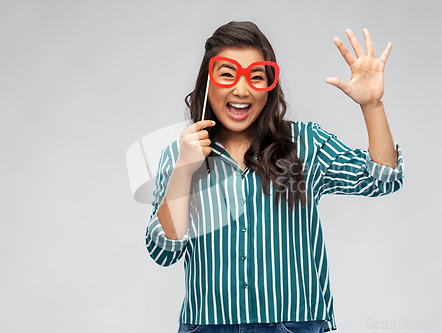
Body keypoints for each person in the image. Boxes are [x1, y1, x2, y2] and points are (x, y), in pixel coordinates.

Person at [145, 21, 404, 333]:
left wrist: (372, 105)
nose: (241, 90)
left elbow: (383, 178)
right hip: (207, 326)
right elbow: (163, 251)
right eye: (227, 74)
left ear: (269, 88)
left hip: (294, 324)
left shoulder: (306, 144)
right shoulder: (180, 156)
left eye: (256, 77)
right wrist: (184, 171)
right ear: (207, 83)